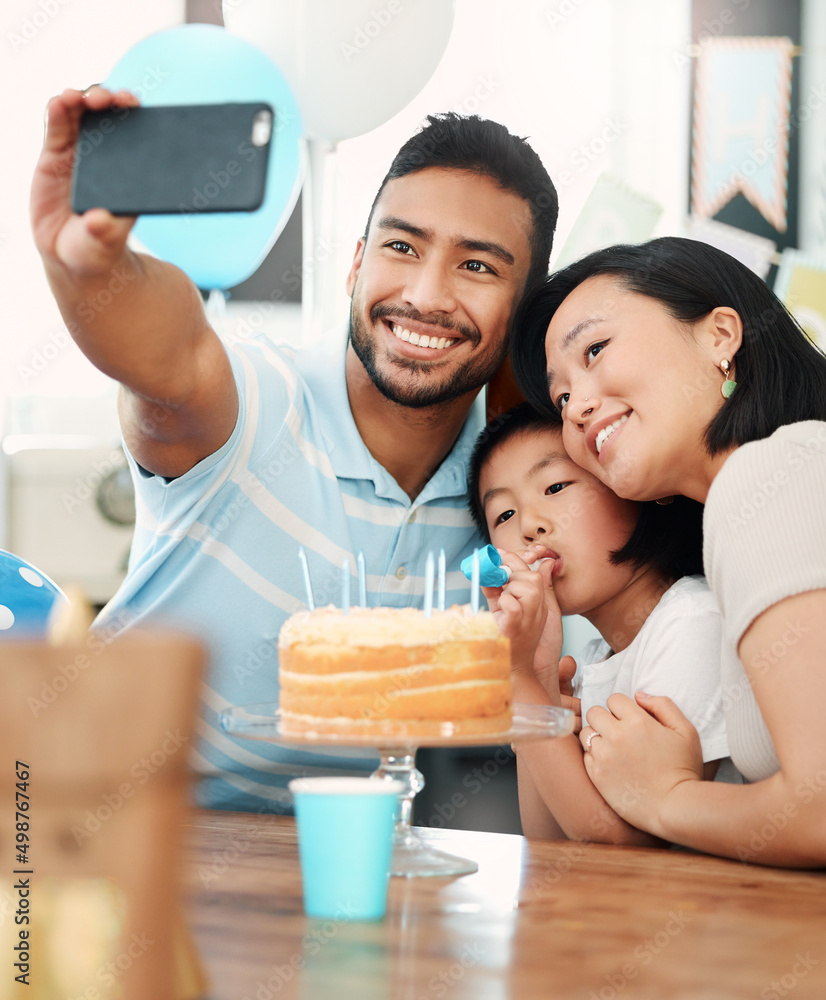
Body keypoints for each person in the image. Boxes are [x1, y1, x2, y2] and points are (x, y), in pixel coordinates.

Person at [31, 85, 558, 812]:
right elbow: (171, 355)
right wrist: (91, 270)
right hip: (99, 828)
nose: (426, 295)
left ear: (524, 308)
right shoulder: (256, 404)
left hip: (327, 870)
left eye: (477, 267)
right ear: (354, 264)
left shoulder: (513, 495)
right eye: (400, 247)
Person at [510, 236, 826, 867]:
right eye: (563, 397)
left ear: (720, 336)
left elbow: (821, 809)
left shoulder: (773, 474)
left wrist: (665, 797)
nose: (577, 409)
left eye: (596, 349)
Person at [467, 402, 729, 843]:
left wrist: (520, 681)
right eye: (504, 516)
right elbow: (548, 843)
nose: (529, 526)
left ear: (627, 486)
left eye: (555, 487)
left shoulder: (691, 622)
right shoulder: (594, 660)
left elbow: (619, 847)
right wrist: (539, 676)